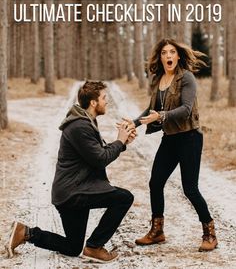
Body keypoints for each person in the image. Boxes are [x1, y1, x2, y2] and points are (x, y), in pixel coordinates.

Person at [6, 81, 136, 263]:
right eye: (104, 98)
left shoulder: (85, 121)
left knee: (73, 247)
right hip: (74, 193)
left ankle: (26, 233)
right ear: (93, 102)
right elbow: (100, 159)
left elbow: (99, 152)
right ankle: (94, 247)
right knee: (124, 198)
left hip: (73, 191)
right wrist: (119, 142)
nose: (107, 102)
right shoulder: (79, 126)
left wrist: (122, 143)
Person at [121, 38, 218, 252]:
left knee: (190, 188)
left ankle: (209, 232)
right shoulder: (158, 79)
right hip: (170, 138)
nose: (168, 56)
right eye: (164, 52)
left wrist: (161, 116)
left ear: (178, 55)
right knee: (156, 182)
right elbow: (151, 109)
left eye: (172, 52)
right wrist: (134, 122)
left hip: (189, 137)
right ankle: (157, 231)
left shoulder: (187, 78)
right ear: (160, 57)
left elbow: (185, 109)